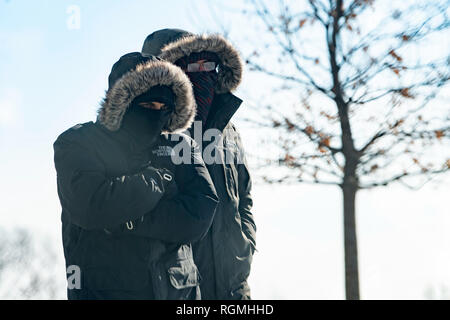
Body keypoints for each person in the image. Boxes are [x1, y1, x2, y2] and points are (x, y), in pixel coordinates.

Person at [53, 52, 218, 300]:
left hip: (178, 294)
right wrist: (158, 180)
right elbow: (91, 207)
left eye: (164, 108)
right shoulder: (78, 142)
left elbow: (200, 212)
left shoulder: (180, 146)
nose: (156, 113)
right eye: (148, 105)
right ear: (123, 102)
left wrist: (127, 221)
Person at [142, 29, 256, 300]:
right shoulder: (150, 128)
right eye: (192, 65)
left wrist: (245, 243)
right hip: (171, 289)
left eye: (209, 65)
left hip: (232, 288)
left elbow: (244, 197)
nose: (202, 73)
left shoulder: (228, 129)